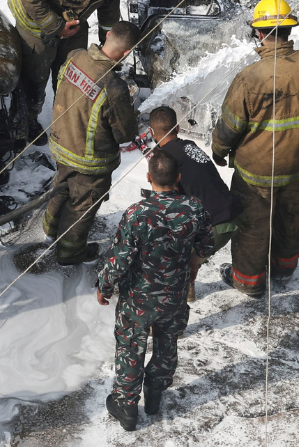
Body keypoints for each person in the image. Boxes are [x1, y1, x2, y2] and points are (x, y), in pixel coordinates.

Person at [211, 0, 299, 297]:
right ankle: (283, 268)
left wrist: (218, 151)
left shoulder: (249, 77)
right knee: (292, 218)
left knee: (253, 227)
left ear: (259, 33)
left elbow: (230, 127)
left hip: (257, 175)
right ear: (290, 31)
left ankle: (248, 281)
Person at [95, 148, 215, 432]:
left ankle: (126, 406)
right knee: (166, 344)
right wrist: (191, 264)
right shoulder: (194, 208)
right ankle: (155, 394)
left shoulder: (137, 213)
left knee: (130, 347)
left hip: (138, 300)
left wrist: (104, 286)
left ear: (149, 178)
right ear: (179, 177)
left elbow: (119, 259)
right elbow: (206, 245)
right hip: (174, 296)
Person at [8, 0, 145, 140]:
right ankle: (27, 119)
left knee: (72, 69)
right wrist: (56, 27)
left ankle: (66, 114)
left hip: (72, 20)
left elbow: (109, 17)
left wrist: (109, 55)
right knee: (35, 76)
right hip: (34, 19)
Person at [43, 21, 140, 264]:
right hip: (90, 162)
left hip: (59, 142)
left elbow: (61, 87)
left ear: (108, 35)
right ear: (127, 52)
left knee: (61, 187)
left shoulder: (75, 56)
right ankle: (69, 253)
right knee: (81, 207)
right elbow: (124, 134)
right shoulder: (114, 86)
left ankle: (49, 230)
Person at [145, 105, 239, 300]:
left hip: (215, 224)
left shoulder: (165, 160)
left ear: (152, 133)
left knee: (173, 258)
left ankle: (175, 309)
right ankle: (187, 288)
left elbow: (170, 206)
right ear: (178, 128)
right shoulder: (190, 146)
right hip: (233, 212)